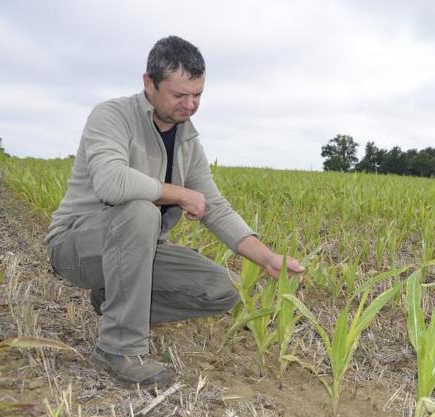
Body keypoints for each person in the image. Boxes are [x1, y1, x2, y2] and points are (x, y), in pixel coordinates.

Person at [46, 35, 303, 387]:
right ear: (149, 84)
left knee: (218, 289)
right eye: (180, 95)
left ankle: (114, 300)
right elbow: (111, 181)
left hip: (139, 250)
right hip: (78, 245)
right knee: (141, 211)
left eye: (197, 94)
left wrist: (267, 258)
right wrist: (179, 193)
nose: (190, 105)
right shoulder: (111, 116)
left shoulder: (187, 141)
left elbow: (214, 207)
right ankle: (117, 348)